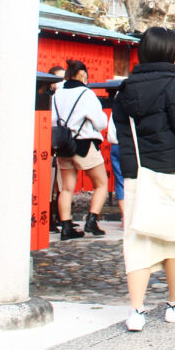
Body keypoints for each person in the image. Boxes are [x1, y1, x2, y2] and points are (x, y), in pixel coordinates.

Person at [113, 27, 175, 331]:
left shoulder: (125, 90)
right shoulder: (174, 84)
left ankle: (136, 312)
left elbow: (123, 136)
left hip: (138, 175)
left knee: (138, 241)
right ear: (171, 53)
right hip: (171, 172)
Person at [51, 59, 110, 239]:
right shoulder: (86, 94)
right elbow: (100, 123)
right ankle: (92, 220)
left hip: (63, 146)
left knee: (67, 189)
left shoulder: (56, 95)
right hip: (84, 144)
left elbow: (53, 120)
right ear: (82, 74)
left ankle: (67, 227)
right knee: (101, 184)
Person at [47, 65, 66, 232]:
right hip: (48, 141)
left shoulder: (63, 97)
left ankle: (60, 216)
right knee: (49, 182)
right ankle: (49, 217)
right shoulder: (47, 98)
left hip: (60, 143)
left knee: (61, 182)